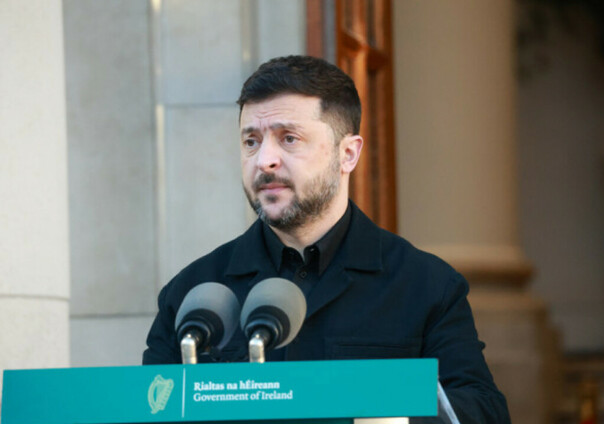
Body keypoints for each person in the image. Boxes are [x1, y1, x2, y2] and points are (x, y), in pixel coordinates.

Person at [143, 55, 510, 423]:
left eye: (289, 139)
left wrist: (386, 417)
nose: (264, 160)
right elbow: (150, 405)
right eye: (251, 141)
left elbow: (482, 410)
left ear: (347, 154)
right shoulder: (193, 294)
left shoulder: (426, 285)